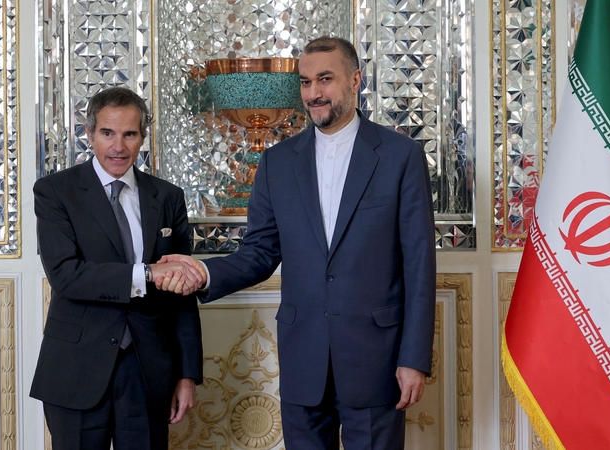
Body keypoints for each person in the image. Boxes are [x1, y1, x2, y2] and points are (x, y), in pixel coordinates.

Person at [157, 37, 436, 449]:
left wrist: (414, 359)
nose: (313, 94)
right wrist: (202, 270)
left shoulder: (400, 155)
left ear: (355, 80)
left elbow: (418, 265)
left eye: (325, 79)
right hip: (303, 360)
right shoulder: (277, 162)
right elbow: (260, 252)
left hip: (376, 361)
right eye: (305, 83)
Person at [30, 87, 205, 450]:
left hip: (148, 370)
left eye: (130, 134)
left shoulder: (168, 197)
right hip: (76, 368)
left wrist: (187, 375)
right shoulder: (55, 191)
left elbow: (182, 296)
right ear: (90, 133)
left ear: (142, 137)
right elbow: (65, 275)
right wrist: (148, 274)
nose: (118, 147)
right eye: (108, 133)